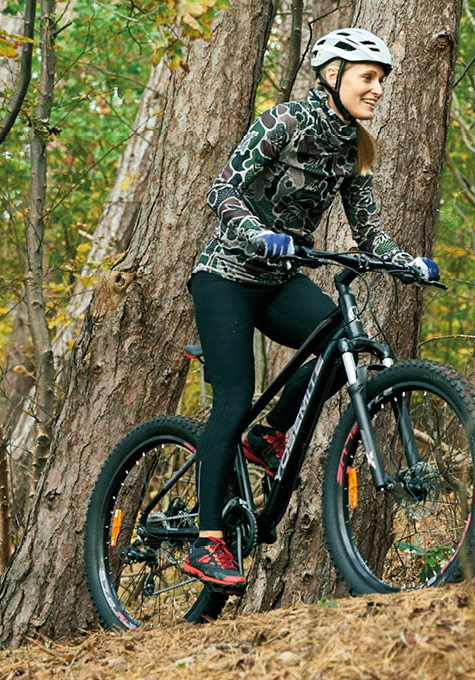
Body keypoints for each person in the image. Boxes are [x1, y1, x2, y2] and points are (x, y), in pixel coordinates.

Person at [181, 28, 440, 589]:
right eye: (368, 78)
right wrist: (254, 230)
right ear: (332, 75)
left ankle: (269, 434)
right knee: (232, 396)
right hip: (225, 276)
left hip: (278, 280)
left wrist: (407, 263)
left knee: (338, 338)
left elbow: (369, 234)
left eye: (380, 81)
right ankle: (206, 543)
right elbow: (221, 189)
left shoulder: (353, 148)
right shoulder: (283, 121)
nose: (376, 90)